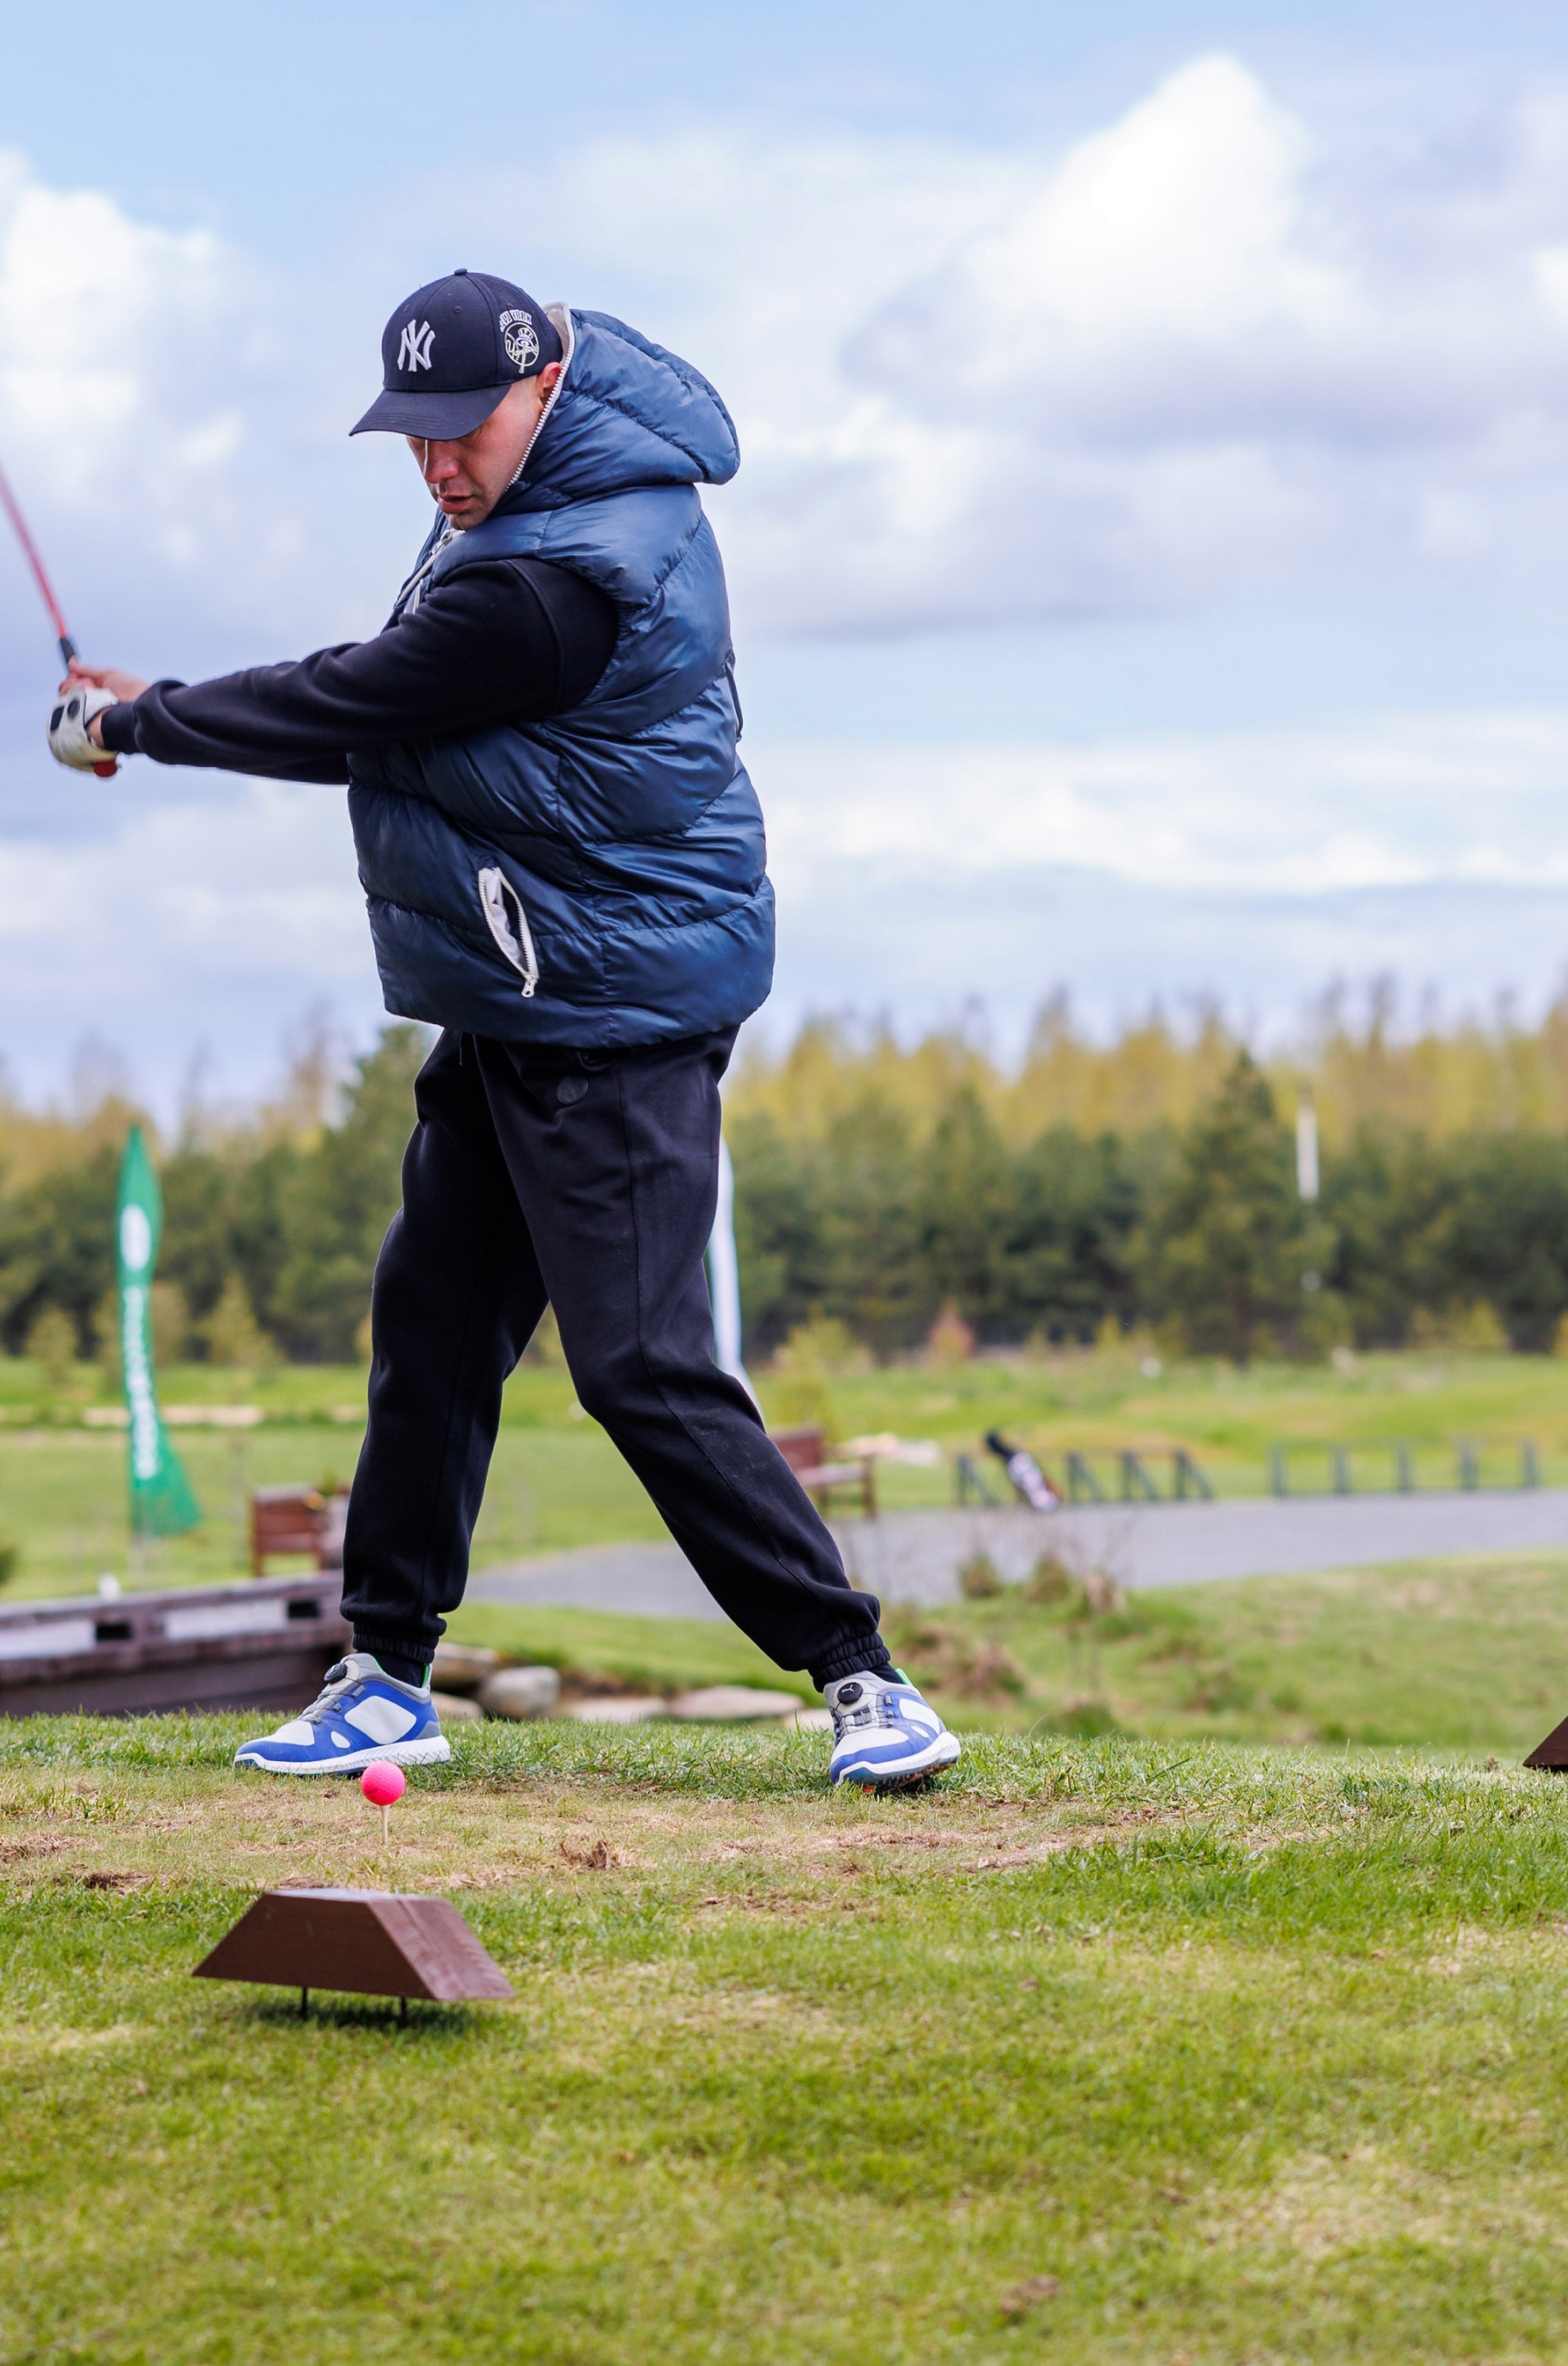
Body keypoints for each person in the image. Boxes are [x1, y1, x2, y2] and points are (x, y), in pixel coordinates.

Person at [47, 268, 956, 1788]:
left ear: (543, 389)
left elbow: (362, 702)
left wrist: (139, 722)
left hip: (611, 1010)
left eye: (463, 430)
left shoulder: (557, 580)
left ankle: (865, 1679)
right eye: (414, 438)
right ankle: (390, 1674)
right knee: (436, 1328)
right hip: (523, 990)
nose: (437, 463)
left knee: (642, 1366)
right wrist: (161, 705)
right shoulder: (551, 494)